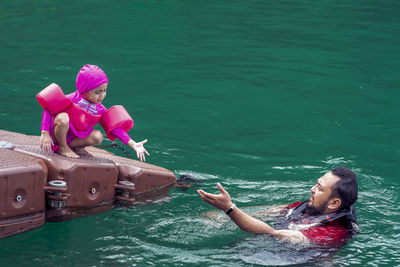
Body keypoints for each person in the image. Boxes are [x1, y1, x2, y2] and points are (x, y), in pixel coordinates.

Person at [198, 167, 359, 247]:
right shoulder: (307, 206)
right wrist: (219, 215)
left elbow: (272, 233)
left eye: (319, 188)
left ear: (334, 203)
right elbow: (269, 212)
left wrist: (229, 209)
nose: (312, 189)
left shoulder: (331, 233)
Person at [39, 64, 149, 161]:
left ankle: (77, 148)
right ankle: (62, 148)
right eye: (98, 92)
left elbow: (114, 128)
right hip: (57, 138)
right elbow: (48, 108)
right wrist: (45, 134)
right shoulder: (71, 98)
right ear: (84, 89)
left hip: (75, 139)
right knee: (63, 118)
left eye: (105, 91)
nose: (102, 95)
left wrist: (133, 144)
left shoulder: (99, 109)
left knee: (98, 136)